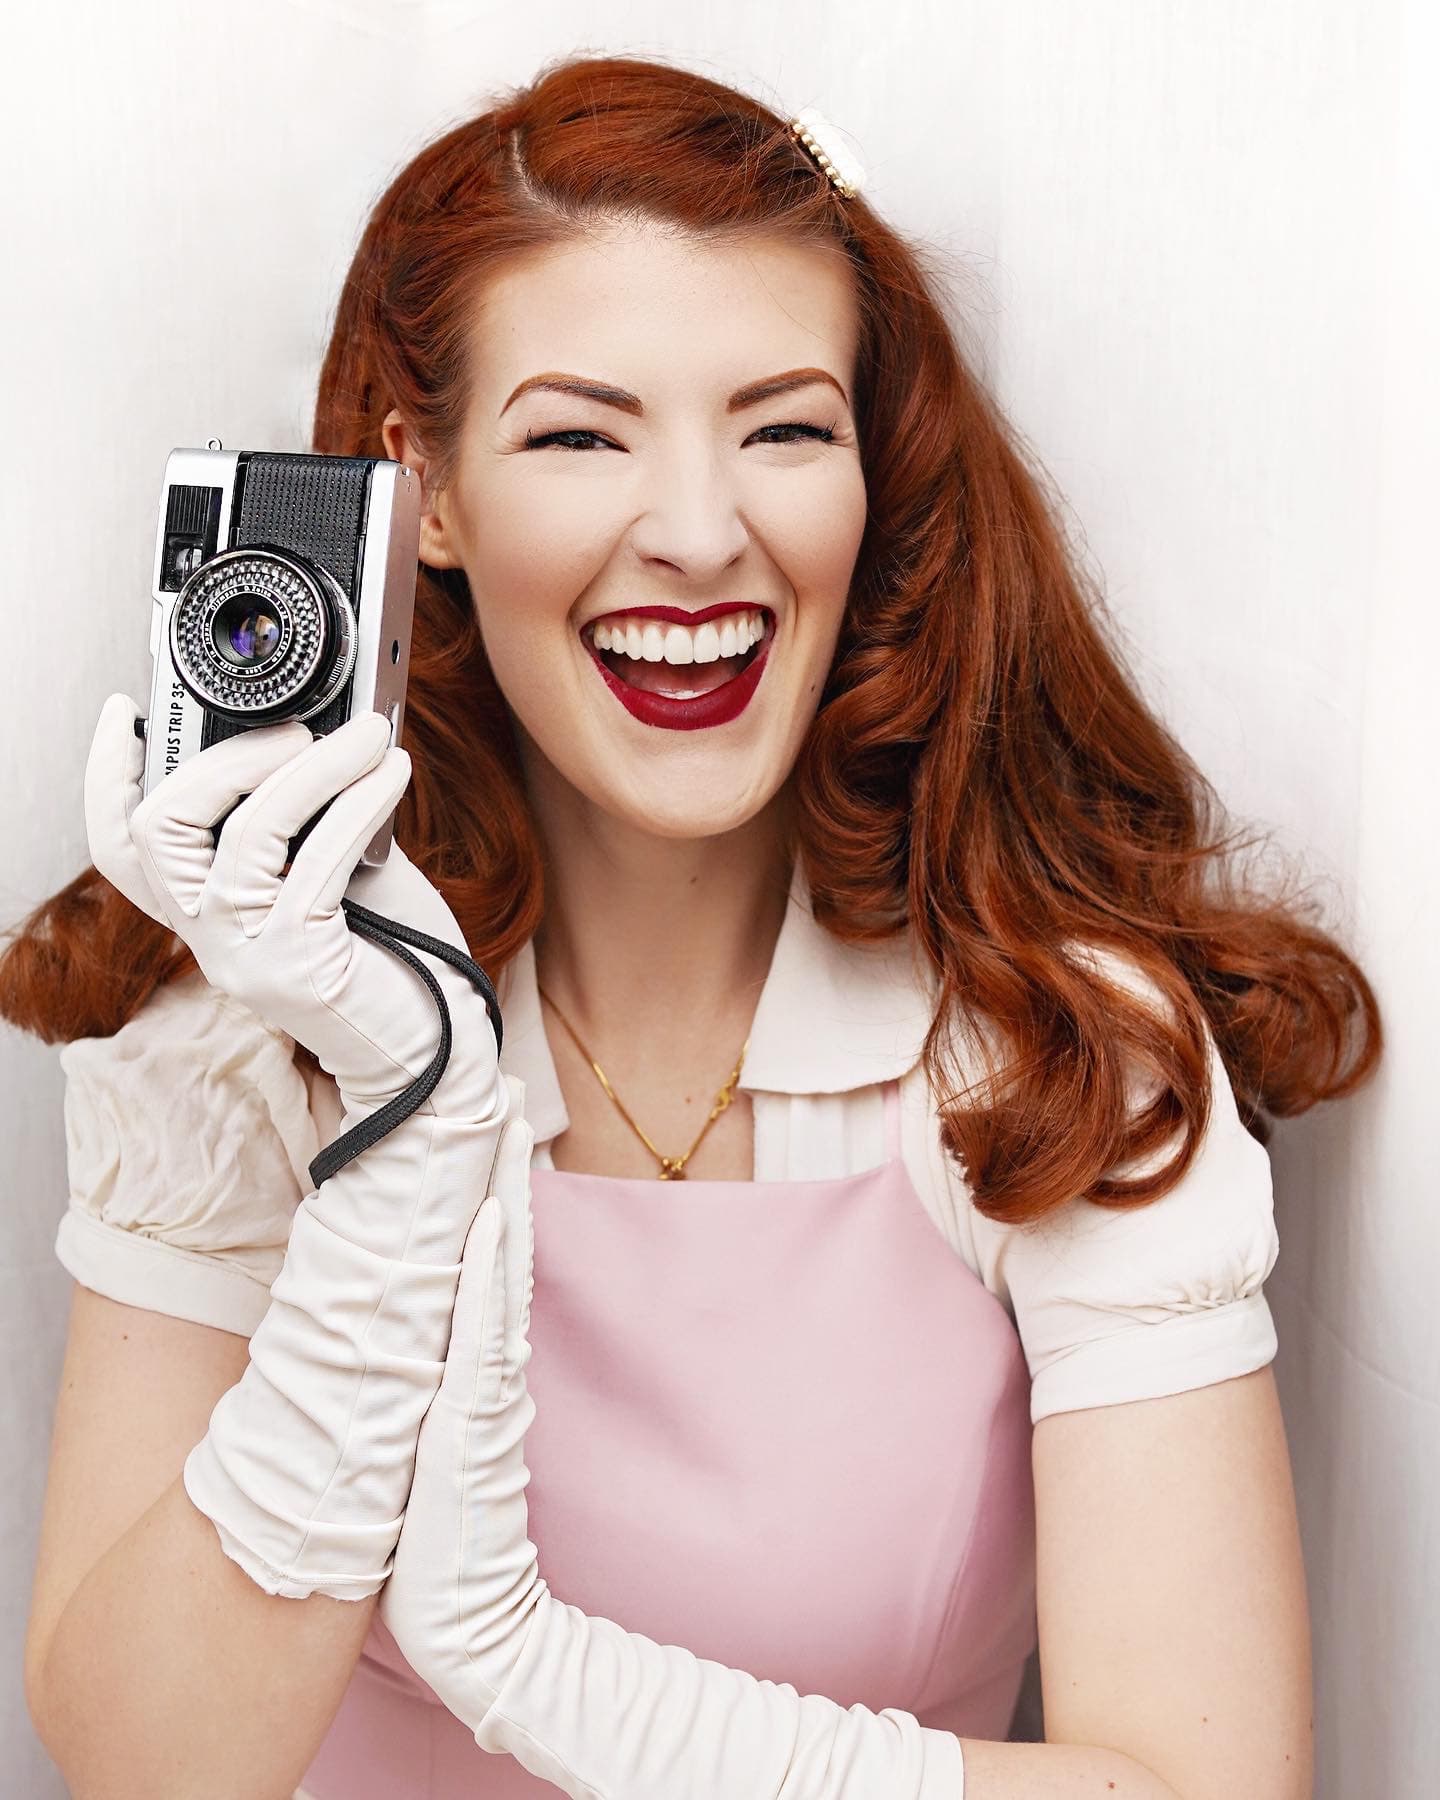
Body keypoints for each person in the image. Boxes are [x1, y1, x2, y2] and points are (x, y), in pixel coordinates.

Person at [9, 50, 1379, 1800]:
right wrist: (414, 1144)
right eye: (580, 434)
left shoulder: (1053, 1060)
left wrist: (528, 1664)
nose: (700, 533)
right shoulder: (232, 1045)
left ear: (871, 476)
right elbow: (146, 1768)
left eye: (784, 427)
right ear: (417, 490)